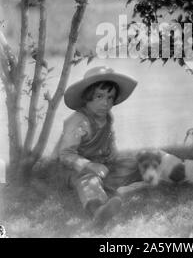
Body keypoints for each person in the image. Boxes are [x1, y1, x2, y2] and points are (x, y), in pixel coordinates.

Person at [56, 66, 142, 227]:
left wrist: (113, 156)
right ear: (87, 97)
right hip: (76, 169)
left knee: (133, 163)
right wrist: (89, 165)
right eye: (99, 96)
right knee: (89, 181)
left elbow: (109, 139)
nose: (105, 103)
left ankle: (161, 175)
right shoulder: (78, 121)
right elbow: (66, 155)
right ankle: (98, 210)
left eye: (110, 97)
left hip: (102, 164)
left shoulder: (107, 117)